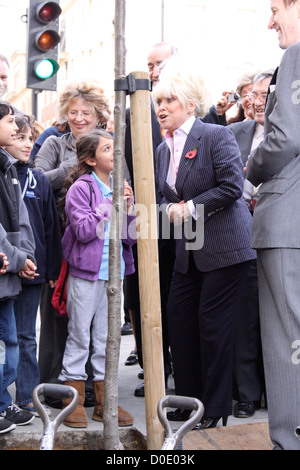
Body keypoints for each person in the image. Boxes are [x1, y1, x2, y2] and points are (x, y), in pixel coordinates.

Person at [153, 57, 256, 428]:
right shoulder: (163, 149)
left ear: (190, 105)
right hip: (188, 252)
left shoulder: (214, 135)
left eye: (169, 102)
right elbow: (163, 198)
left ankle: (214, 409)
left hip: (226, 248)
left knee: (212, 328)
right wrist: (169, 209)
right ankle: (188, 402)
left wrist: (190, 207)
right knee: (180, 325)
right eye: (158, 102)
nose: (161, 108)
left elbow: (232, 187)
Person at [34, 81, 111, 408]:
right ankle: (54, 386)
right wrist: (76, 164)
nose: (79, 118)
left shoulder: (108, 145)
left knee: (94, 325)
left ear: (98, 115)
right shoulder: (54, 142)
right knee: (57, 313)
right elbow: (36, 181)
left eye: (86, 113)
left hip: (99, 242)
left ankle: (92, 390)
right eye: (74, 112)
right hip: (60, 234)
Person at [246, 0, 300, 450]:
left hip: (288, 223)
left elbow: (285, 138)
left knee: (288, 342)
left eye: (275, 8)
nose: (270, 21)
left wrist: (251, 165)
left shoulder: (296, 55)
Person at [58, 129, 136, 428]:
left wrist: (128, 208)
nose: (115, 153)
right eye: (107, 149)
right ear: (90, 159)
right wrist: (109, 204)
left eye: (115, 148)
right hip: (86, 275)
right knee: (80, 336)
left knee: (108, 339)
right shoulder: (82, 188)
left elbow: (131, 236)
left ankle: (106, 403)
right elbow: (83, 231)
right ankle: (73, 402)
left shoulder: (122, 186)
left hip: (113, 275)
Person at [5, 114, 62, 417]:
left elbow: (50, 229)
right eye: (20, 138)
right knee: (6, 336)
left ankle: (27, 396)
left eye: (30, 139)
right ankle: (4, 399)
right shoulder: (5, 176)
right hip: (6, 268)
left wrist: (51, 270)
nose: (27, 144)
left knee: (26, 335)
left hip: (33, 272)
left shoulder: (38, 179)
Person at [229, 70, 274, 418]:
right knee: (245, 318)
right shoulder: (235, 133)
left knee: (277, 318)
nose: (257, 102)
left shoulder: (290, 132)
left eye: (264, 95)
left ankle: (277, 392)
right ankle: (246, 393)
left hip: (280, 235)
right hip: (242, 235)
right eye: (252, 95)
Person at [0, 103, 37, 434]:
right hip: (5, 266)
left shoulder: (7, 168)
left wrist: (24, 256)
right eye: (10, 121)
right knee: (5, 340)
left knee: (10, 340)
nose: (15, 127)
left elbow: (20, 220)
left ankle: (2, 401)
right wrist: (17, 257)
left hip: (10, 268)